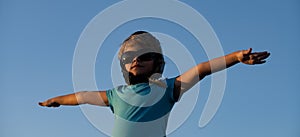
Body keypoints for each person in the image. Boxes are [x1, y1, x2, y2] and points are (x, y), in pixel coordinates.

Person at [39, 31, 270, 137]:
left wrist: (235, 58)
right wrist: (56, 101)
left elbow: (202, 69)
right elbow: (83, 96)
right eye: (130, 58)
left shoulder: (167, 89)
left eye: (144, 55)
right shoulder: (115, 95)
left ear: (157, 62)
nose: (136, 60)